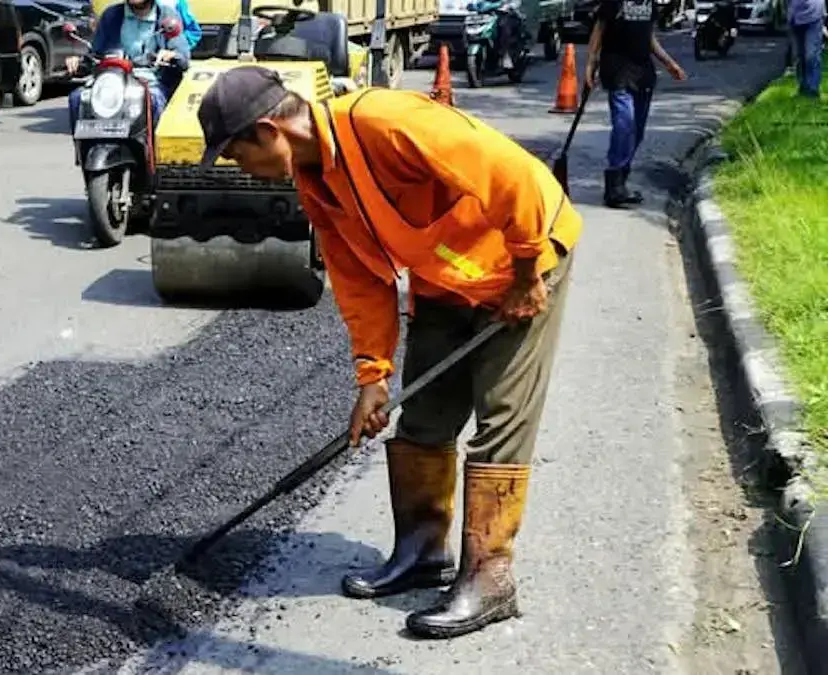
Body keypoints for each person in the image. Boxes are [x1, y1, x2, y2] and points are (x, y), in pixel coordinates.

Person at [196, 65, 583, 639]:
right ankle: (424, 552)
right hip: (444, 278)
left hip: (519, 265)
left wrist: (528, 270)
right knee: (423, 418)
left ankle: (491, 578)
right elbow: (359, 280)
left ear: (267, 129)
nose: (240, 170)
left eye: (235, 155)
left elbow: (511, 174)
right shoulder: (314, 179)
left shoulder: (384, 122)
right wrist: (371, 375)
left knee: (500, 422)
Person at [583, 0, 686, 209]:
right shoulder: (614, 3)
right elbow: (599, 31)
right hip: (616, 69)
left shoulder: (649, 4)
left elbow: (649, 38)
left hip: (642, 73)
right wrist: (590, 64)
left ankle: (621, 180)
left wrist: (669, 63)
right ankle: (615, 184)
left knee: (637, 131)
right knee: (625, 124)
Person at [65, 0, 191, 133]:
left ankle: (153, 151)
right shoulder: (111, 15)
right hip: (112, 82)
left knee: (154, 100)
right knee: (78, 98)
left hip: (151, 83)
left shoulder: (167, 15)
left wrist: (171, 54)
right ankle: (84, 151)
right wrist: (78, 62)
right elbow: (96, 53)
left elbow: (182, 56)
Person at [467, 0, 525, 71]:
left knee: (503, 27)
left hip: (509, 15)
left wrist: (509, 6)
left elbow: (516, 3)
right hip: (489, 15)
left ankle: (506, 55)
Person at [787, 0, 824, 98]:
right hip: (795, 17)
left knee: (811, 55)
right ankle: (803, 86)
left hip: (814, 15)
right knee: (799, 55)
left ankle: (813, 89)